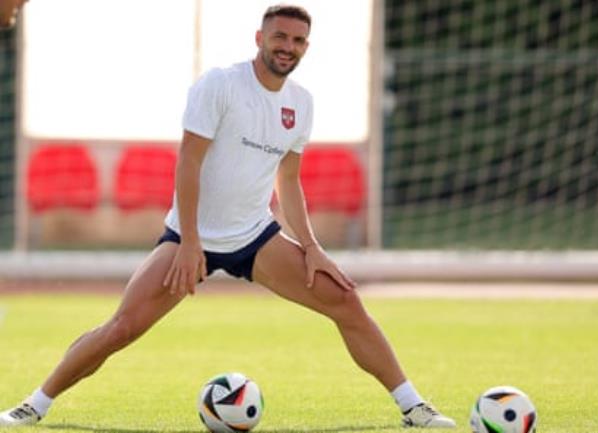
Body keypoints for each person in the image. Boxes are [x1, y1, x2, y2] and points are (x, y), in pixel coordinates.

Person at [0, 5, 455, 429]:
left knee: (347, 302)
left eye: (298, 40)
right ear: (259, 37)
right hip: (189, 238)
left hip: (255, 237)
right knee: (121, 328)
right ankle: (33, 405)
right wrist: (191, 244)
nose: (287, 46)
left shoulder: (302, 103)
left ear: (306, 48)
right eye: (280, 36)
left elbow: (289, 180)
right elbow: (189, 163)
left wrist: (313, 249)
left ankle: (412, 406)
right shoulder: (219, 84)